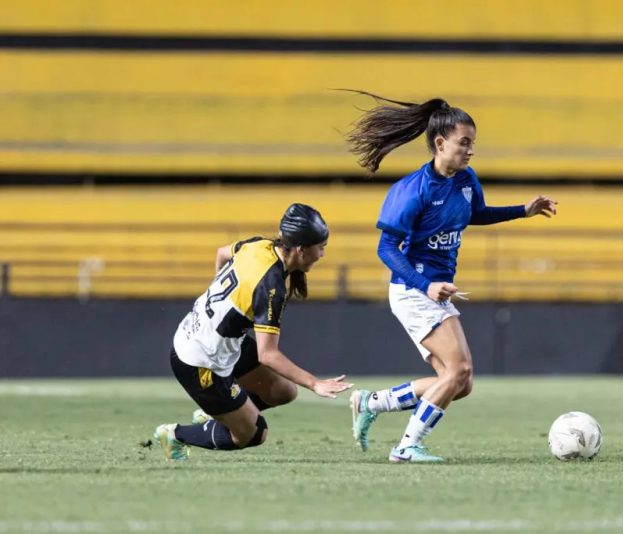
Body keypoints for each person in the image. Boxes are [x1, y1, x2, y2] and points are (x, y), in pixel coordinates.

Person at [344, 90, 558, 463]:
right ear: (440, 143)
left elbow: (475, 213)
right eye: (464, 143)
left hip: (437, 291)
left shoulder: (465, 179)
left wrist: (523, 211)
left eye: (473, 143)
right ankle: (407, 446)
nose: (471, 150)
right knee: (458, 371)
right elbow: (386, 249)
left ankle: (371, 402)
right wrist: (424, 284)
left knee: (460, 382)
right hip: (414, 291)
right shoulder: (412, 190)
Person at [153, 203, 352, 462]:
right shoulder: (270, 287)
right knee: (253, 434)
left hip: (216, 340)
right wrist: (315, 383)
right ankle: (175, 434)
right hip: (200, 362)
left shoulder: (260, 245)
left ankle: (220, 412)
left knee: (283, 391)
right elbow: (267, 354)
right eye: (321, 247)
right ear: (302, 249)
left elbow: (222, 253)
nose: (322, 254)